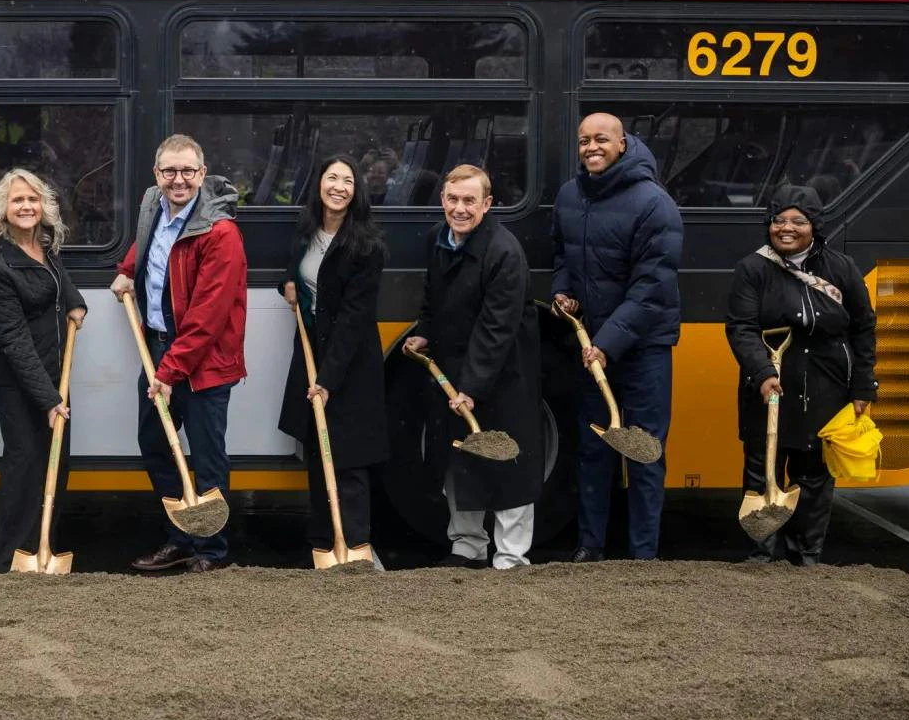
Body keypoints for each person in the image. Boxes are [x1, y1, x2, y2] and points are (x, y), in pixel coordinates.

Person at [111, 133, 247, 573]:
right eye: (170, 171)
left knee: (207, 457)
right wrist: (127, 269)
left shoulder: (220, 233)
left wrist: (170, 373)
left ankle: (212, 551)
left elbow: (207, 316)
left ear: (202, 174)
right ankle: (180, 537)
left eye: (188, 171)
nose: (178, 180)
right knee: (155, 444)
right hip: (160, 352)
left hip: (201, 363)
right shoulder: (154, 204)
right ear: (157, 174)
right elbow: (150, 244)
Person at [551, 112, 682, 562]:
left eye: (601, 139)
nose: (591, 147)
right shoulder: (570, 195)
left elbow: (651, 288)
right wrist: (562, 292)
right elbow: (562, 255)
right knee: (594, 448)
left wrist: (607, 344)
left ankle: (643, 554)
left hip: (643, 350)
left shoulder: (654, 203)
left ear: (622, 143)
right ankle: (591, 546)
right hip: (594, 347)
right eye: (584, 140)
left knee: (643, 452)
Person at [724, 187, 877, 566]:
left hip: (826, 383)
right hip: (769, 382)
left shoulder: (840, 267)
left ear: (814, 227)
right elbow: (741, 328)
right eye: (779, 220)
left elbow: (863, 327)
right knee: (763, 467)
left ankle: (806, 555)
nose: (786, 229)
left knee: (815, 475)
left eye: (798, 222)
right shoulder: (752, 269)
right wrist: (761, 373)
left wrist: (863, 385)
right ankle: (760, 552)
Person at [405, 165, 541, 568]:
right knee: (459, 457)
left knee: (509, 460)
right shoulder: (437, 239)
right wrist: (425, 331)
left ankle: (512, 556)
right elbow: (432, 296)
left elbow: (497, 327)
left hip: (504, 373)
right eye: (452, 199)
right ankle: (467, 546)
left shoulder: (504, 251)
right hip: (454, 366)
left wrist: (473, 385)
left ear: (487, 204)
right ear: (442, 200)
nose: (459, 209)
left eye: (469, 201)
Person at [0, 169, 86, 573]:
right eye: (17, 200)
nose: (26, 206)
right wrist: (50, 400)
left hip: (56, 372)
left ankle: (43, 547)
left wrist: (75, 301)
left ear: (44, 207)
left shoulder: (43, 247)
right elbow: (14, 342)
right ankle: (9, 559)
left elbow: (59, 282)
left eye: (33, 200)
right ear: (2, 209)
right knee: (26, 462)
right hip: (17, 380)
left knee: (57, 461)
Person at [277, 155, 388, 562]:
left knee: (348, 457)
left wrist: (329, 379)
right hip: (312, 353)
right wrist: (286, 285)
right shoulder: (306, 232)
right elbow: (299, 276)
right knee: (316, 451)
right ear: (319, 184)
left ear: (357, 191)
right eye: (331, 178)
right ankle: (324, 543)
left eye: (347, 180)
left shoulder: (367, 246)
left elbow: (355, 320)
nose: (338, 186)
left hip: (350, 363)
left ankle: (356, 543)